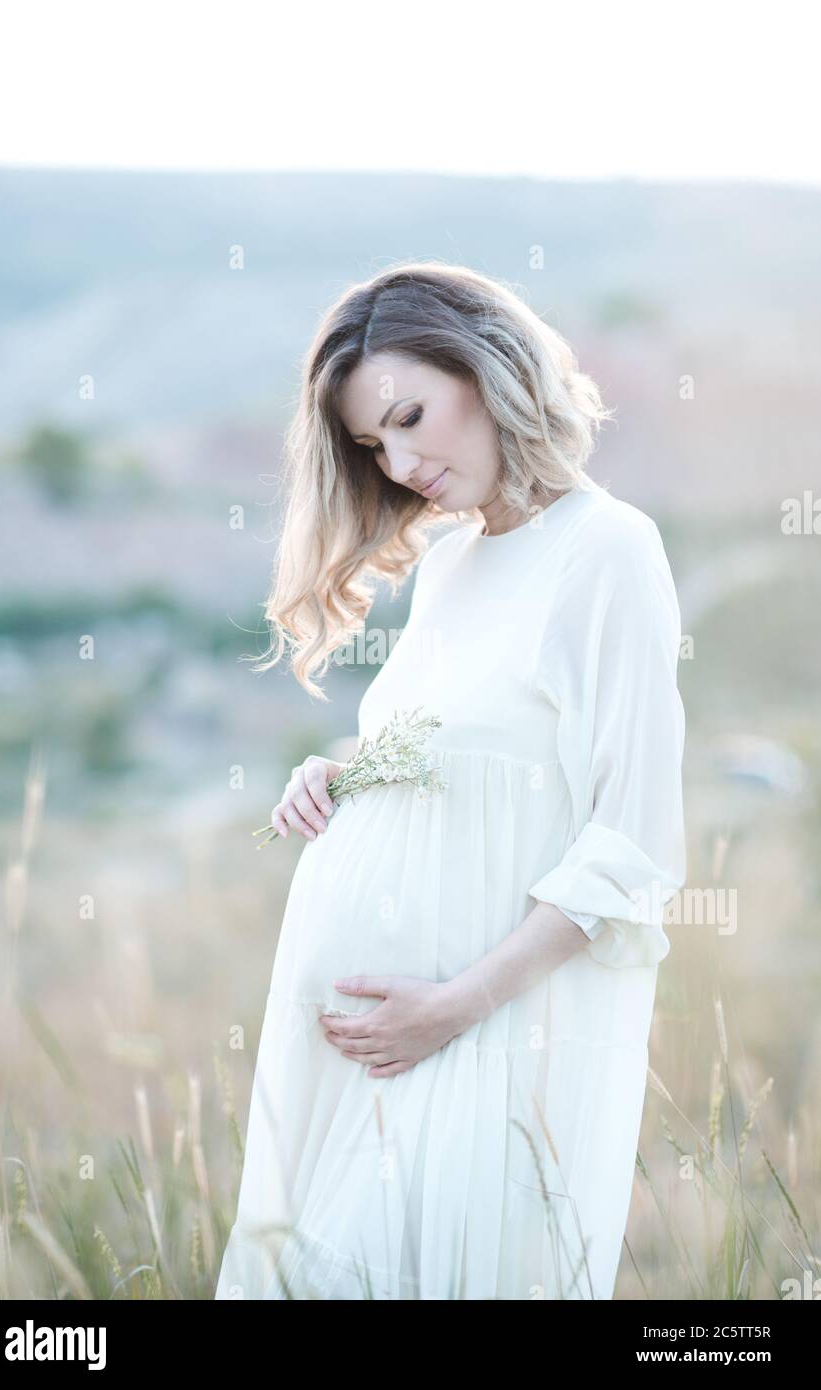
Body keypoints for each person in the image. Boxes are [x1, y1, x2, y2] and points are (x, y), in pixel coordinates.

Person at [215, 261, 686, 1300]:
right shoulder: (449, 563)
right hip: (370, 1048)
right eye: (374, 444)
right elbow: (462, 754)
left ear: (489, 364)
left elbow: (630, 844)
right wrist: (335, 771)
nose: (400, 459)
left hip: (484, 1037)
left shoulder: (605, 550)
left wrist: (452, 1008)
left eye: (410, 414)